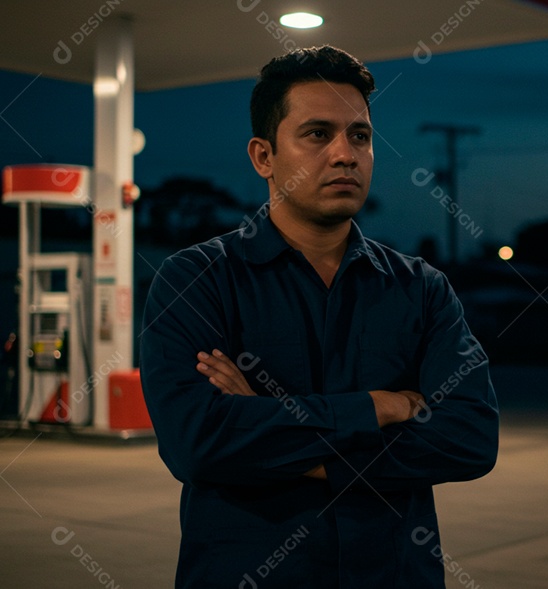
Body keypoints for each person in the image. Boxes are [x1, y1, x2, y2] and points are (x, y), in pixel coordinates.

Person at [140, 45, 499, 588]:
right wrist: (377, 407)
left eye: (360, 136)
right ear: (264, 157)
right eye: (317, 134)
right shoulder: (197, 279)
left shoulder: (421, 289)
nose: (345, 154)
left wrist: (268, 427)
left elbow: (471, 437)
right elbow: (195, 443)